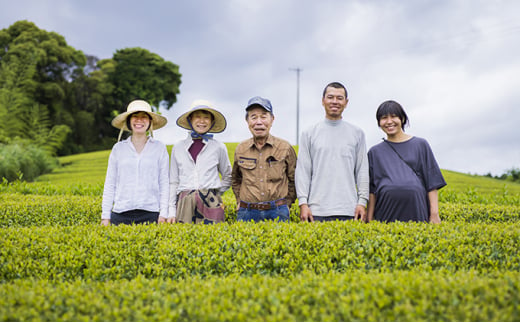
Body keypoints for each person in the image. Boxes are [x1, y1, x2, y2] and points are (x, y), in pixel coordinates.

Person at [295, 82, 369, 222]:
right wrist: (303, 203)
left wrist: (362, 202)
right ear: (323, 101)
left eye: (339, 98)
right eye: (330, 97)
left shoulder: (357, 133)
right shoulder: (309, 133)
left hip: (349, 209)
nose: (335, 101)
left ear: (346, 103)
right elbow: (303, 171)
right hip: (316, 210)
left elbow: (362, 171)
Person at [367, 100, 446, 223]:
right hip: (385, 212)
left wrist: (434, 214)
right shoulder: (374, 152)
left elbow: (432, 183)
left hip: (417, 210)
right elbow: (372, 191)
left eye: (393, 117)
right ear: (379, 122)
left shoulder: (421, 145)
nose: (389, 122)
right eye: (384, 118)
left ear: (402, 119)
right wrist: (369, 219)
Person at [101, 99, 170, 226]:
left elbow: (164, 183)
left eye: (144, 117)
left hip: (151, 213)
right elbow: (110, 183)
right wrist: (105, 216)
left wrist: (164, 213)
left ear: (150, 122)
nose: (139, 120)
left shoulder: (159, 148)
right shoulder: (118, 149)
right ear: (129, 121)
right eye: (135, 116)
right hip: (120, 213)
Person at [231, 96, 297, 222]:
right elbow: (236, 178)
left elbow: (294, 179)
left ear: (272, 119)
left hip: (277, 211)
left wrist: (286, 204)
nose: (259, 122)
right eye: (253, 117)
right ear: (247, 121)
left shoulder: (285, 147)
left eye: (263, 116)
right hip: (247, 212)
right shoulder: (241, 149)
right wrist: (239, 201)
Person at [168, 100, 232, 224]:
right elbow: (173, 181)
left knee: (213, 239)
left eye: (206, 117)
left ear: (212, 121)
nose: (202, 121)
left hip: (211, 202)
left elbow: (228, 175)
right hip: (185, 201)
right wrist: (171, 210)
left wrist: (215, 193)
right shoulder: (178, 147)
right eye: (197, 117)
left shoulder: (218, 147)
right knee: (185, 240)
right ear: (190, 120)